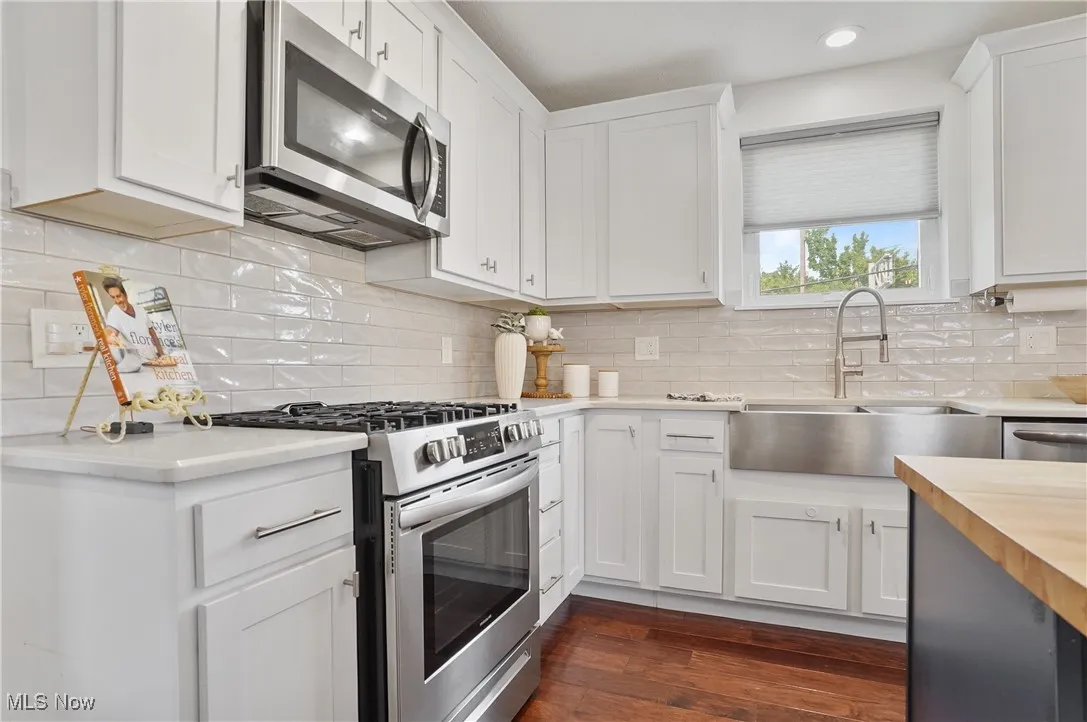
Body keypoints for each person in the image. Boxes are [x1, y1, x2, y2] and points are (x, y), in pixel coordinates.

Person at [102, 278, 164, 361]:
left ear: (126, 294)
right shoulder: (114, 313)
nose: (117, 301)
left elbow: (152, 333)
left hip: (153, 358)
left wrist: (161, 354)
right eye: (113, 297)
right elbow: (111, 331)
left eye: (119, 296)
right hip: (138, 363)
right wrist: (108, 337)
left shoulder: (140, 309)